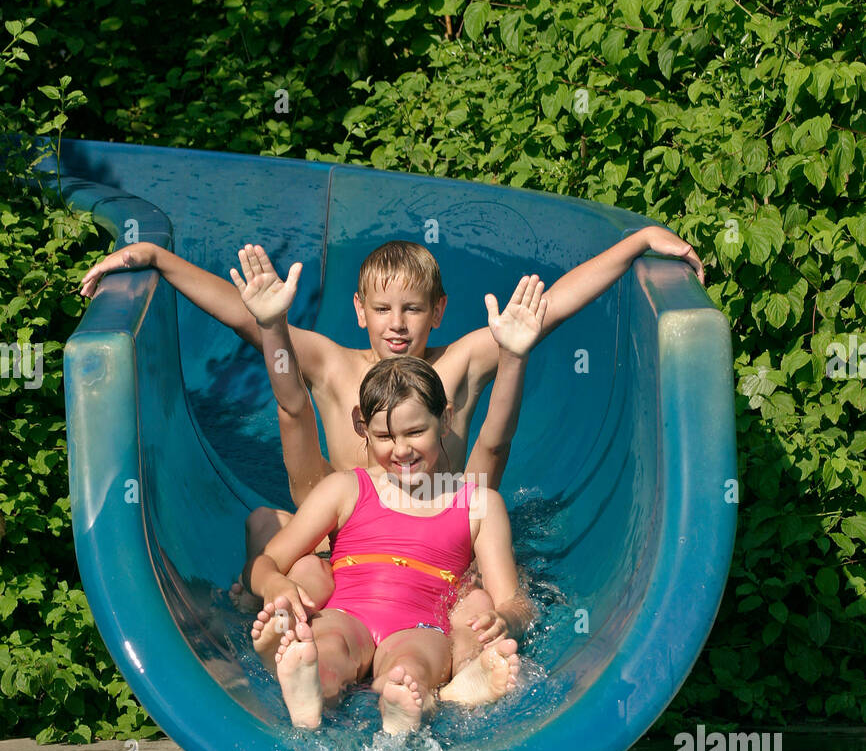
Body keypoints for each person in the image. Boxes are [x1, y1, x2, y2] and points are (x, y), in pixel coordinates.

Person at [80, 226, 703, 659]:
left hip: (434, 553)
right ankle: (263, 622)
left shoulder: (455, 366)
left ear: (438, 311)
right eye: (382, 309)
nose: (397, 324)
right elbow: (248, 319)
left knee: (483, 603)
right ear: (359, 311)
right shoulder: (329, 364)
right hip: (335, 550)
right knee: (265, 532)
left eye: (411, 309)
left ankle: (441, 662)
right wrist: (157, 260)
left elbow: (545, 314)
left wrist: (637, 245)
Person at [247, 356, 531, 735]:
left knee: (410, 668)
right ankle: (311, 691)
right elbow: (267, 561)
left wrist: (504, 619)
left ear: (444, 420)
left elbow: (514, 600)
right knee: (327, 648)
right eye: (384, 437)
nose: (401, 450)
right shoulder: (347, 488)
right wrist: (276, 585)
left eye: (415, 432)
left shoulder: (478, 505)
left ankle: (404, 706)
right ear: (361, 427)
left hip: (420, 624)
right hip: (346, 612)